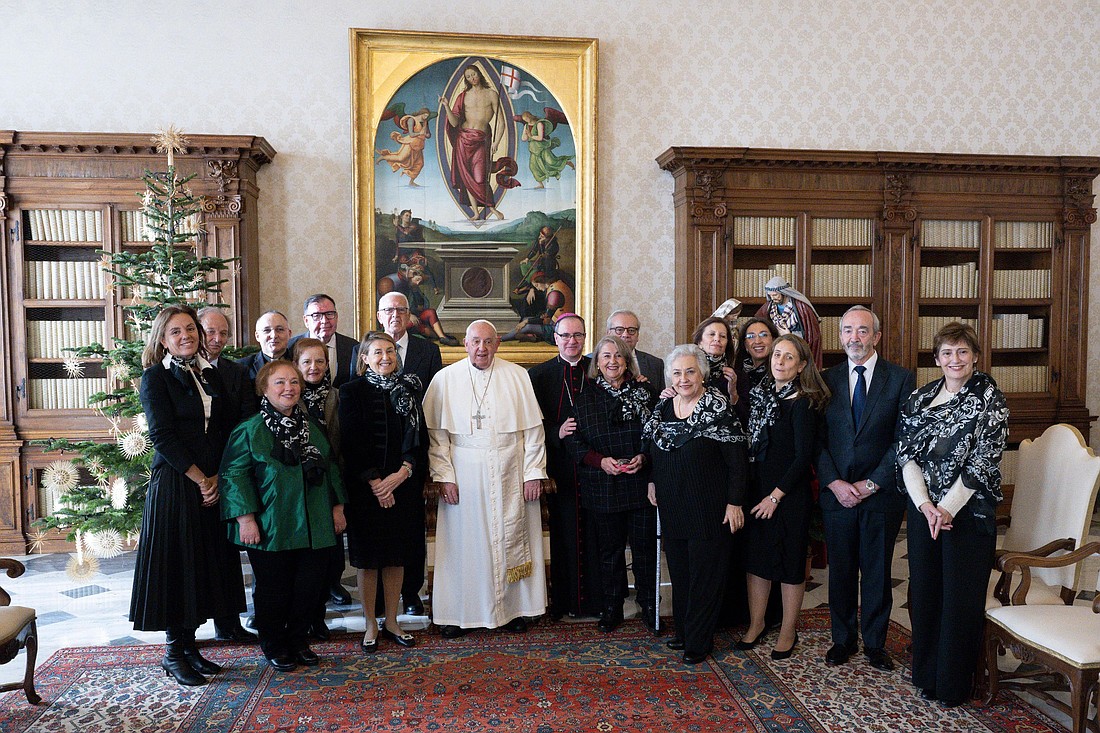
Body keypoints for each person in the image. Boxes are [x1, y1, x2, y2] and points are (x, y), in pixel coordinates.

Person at [896, 322, 1007, 707]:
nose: (954, 359)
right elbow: (905, 453)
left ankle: (953, 686)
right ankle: (927, 677)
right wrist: (926, 505)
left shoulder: (990, 397)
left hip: (968, 514)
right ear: (936, 358)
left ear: (975, 356)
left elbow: (983, 460)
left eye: (962, 352)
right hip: (924, 511)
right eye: (947, 352)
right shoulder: (920, 397)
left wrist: (947, 508)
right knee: (925, 595)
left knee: (958, 602)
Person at [130, 305, 242, 686]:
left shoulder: (207, 374)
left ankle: (192, 646)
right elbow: (162, 436)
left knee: (201, 566)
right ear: (162, 340)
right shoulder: (154, 378)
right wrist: (200, 478)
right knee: (178, 569)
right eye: (176, 332)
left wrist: (216, 478)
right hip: (178, 485)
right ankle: (174, 652)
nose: (186, 336)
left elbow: (224, 428)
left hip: (210, 482)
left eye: (190, 329)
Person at [220, 361, 347, 672]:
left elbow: (330, 467)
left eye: (293, 381)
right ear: (265, 388)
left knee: (309, 587)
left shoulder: (311, 427)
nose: (288, 388)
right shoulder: (248, 430)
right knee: (274, 589)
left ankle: (298, 639)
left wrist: (337, 507)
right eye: (279, 383)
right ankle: (275, 643)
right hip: (270, 525)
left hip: (313, 523)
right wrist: (245, 519)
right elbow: (234, 475)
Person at [423, 320, 548, 637]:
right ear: (465, 344)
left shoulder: (517, 376)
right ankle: (458, 614)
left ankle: (516, 610)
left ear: (498, 344)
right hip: (464, 473)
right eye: (476, 342)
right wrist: (444, 476)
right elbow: (437, 437)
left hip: (511, 468)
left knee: (512, 540)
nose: (482, 348)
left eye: (489, 342)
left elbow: (533, 432)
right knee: (463, 546)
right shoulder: (445, 379)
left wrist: (533, 473)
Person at [816, 306, 914, 671]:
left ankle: (875, 644)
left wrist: (872, 483)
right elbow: (817, 440)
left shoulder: (901, 379)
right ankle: (842, 641)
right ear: (840, 336)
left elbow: (904, 439)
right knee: (840, 571)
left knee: (876, 571)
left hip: (881, 494)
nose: (854, 338)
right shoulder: (827, 379)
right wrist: (835, 482)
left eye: (862, 331)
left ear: (876, 336)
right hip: (837, 494)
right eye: (847, 331)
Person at [643, 344, 747, 664]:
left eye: (690, 371)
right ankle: (685, 632)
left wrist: (735, 503)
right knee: (682, 573)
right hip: (673, 505)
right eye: (677, 372)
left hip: (709, 507)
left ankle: (699, 642)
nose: (684, 378)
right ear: (669, 376)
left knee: (705, 576)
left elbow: (738, 460)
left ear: (702, 373)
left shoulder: (718, 410)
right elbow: (652, 448)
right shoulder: (662, 409)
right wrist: (651, 480)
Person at [741, 334, 829, 660]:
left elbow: (802, 457)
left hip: (788, 497)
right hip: (758, 492)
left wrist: (775, 497)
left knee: (791, 563)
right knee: (757, 562)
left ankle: (788, 630)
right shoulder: (762, 396)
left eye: (788, 357)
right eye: (777, 354)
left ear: (801, 365)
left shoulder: (802, 402)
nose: (779, 361)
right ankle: (756, 623)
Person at [339, 332, 425, 652]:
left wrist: (401, 474)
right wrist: (377, 483)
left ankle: (392, 620)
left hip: (402, 486)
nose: (385, 357)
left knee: (395, 556)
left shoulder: (408, 391)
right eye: (377, 352)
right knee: (368, 560)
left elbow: (418, 439)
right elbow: (351, 443)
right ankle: (370, 624)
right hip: (365, 490)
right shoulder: (351, 392)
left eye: (390, 351)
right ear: (364, 358)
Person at [569, 335, 659, 633]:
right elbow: (574, 440)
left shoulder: (646, 392)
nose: (612, 361)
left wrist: (644, 457)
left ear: (627, 360)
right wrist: (600, 461)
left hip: (640, 483)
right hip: (603, 484)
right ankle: (612, 607)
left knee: (645, 549)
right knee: (610, 551)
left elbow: (660, 434)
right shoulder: (585, 397)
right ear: (597, 363)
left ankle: (649, 603)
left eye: (618, 356)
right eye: (605, 356)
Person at [360, 291, 443, 616]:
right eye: (388, 309)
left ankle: (410, 593)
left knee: (410, 535)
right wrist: (377, 479)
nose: (395, 314)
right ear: (380, 314)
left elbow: (432, 406)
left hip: (412, 459)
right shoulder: (363, 356)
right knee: (377, 540)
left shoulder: (428, 350)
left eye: (401, 309)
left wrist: (408, 466)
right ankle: (378, 602)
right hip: (373, 469)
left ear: (409, 315)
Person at [528, 314, 602, 621]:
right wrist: (555, 432)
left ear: (585, 338)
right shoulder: (539, 374)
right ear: (555, 338)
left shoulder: (597, 369)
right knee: (563, 534)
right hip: (560, 468)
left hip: (596, 466)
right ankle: (562, 601)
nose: (572, 341)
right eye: (566, 335)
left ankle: (597, 602)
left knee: (597, 534)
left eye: (578, 336)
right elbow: (529, 423)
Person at [197, 306, 258, 643]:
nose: (217, 340)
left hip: (228, 472)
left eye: (223, 334)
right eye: (210, 332)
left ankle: (229, 623)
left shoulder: (237, 373)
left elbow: (245, 424)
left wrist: (225, 473)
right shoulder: (182, 371)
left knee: (225, 552)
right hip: (192, 477)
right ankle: (189, 628)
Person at [292, 337, 345, 638]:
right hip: (298, 489)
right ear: (297, 365)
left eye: (320, 362)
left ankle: (318, 617)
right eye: (307, 362)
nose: (314, 367)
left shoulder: (337, 397)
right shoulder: (288, 396)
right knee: (302, 559)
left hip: (330, 483)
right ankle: (299, 617)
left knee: (327, 557)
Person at [440, 65, 517, 220]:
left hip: (481, 140)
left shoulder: (492, 94)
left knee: (480, 177)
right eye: (468, 76)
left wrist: (496, 142)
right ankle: (476, 212)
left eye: (473, 74)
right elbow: (454, 123)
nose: (472, 78)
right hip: (463, 139)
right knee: (467, 177)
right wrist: (447, 106)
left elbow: (501, 122)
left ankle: (492, 209)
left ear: (479, 74)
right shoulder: (463, 96)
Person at [288, 294, 358, 389]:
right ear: (306, 321)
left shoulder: (353, 347)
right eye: (316, 315)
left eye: (329, 314)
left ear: (336, 316)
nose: (324, 321)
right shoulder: (290, 348)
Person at [754, 277, 822, 368]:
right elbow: (758, 321)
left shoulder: (801, 307)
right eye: (770, 296)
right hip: (778, 346)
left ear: (784, 293)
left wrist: (789, 335)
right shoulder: (770, 306)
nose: (773, 298)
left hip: (796, 347)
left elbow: (811, 334)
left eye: (775, 295)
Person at [730, 317, 778, 429]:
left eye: (764, 335)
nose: (757, 341)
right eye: (751, 336)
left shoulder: (780, 372)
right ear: (746, 345)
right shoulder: (738, 375)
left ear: (774, 340)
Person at [605, 310, 665, 388]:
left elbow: (660, 399)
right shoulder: (591, 361)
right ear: (608, 333)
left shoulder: (655, 364)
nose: (626, 335)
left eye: (631, 330)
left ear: (637, 335)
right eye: (619, 330)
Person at [376, 109, 435, 186]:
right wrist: (420, 133)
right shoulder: (412, 120)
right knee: (401, 158)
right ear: (421, 113)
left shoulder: (425, 122)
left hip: (419, 145)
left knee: (420, 164)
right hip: (410, 143)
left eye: (427, 116)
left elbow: (428, 135)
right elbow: (411, 134)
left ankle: (411, 181)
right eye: (425, 115)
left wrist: (426, 133)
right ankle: (383, 157)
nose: (426, 117)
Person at [519, 110, 575, 188]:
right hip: (533, 149)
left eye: (526, 119)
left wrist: (530, 136)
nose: (526, 121)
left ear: (530, 116)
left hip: (542, 147)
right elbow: (523, 138)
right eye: (525, 120)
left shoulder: (539, 124)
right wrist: (526, 135)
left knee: (551, 162)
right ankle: (541, 184)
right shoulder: (526, 126)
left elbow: (540, 138)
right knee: (533, 166)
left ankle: (567, 162)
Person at [691, 316, 738, 402]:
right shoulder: (689, 372)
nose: (717, 339)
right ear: (699, 342)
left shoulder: (736, 376)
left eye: (723, 336)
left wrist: (733, 393)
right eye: (712, 334)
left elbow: (743, 413)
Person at [237, 310, 292, 380]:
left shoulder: (301, 363)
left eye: (280, 329)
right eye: (267, 330)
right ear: (257, 336)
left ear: (289, 334)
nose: (274, 335)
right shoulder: (242, 367)